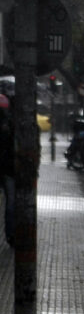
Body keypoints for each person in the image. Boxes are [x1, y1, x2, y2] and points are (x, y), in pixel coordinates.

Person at [0, 94, 13, 245]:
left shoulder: (8, 123)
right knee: (10, 202)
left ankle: (10, 233)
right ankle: (10, 234)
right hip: (9, 168)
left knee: (10, 202)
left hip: (8, 168)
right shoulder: (8, 123)